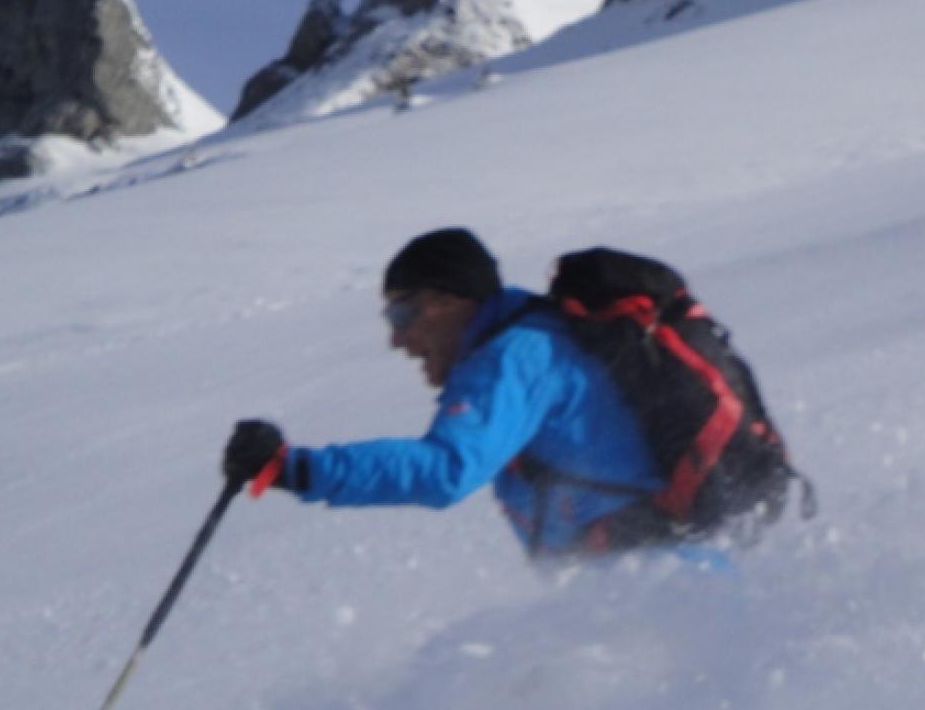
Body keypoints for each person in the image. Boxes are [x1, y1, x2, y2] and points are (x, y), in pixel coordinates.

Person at [223, 228, 681, 558]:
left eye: (402, 316)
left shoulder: (512, 356)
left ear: (448, 301)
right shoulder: (527, 343)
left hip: (648, 574)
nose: (397, 340)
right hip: (638, 575)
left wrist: (293, 469)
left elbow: (446, 471)